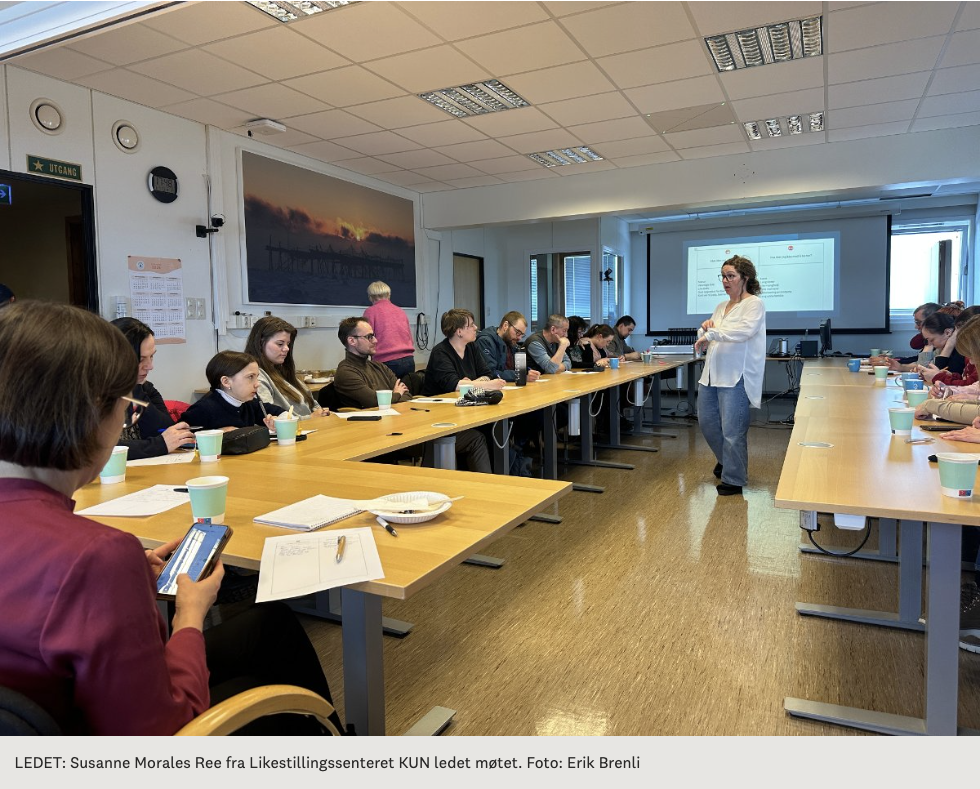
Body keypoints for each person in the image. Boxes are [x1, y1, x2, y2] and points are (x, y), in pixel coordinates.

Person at [0, 301, 340, 735]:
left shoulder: (88, 556)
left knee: (267, 625)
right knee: (286, 709)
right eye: (125, 402)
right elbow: (162, 731)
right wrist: (189, 615)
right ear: (94, 414)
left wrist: (131, 576)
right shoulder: (96, 554)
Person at [694, 255, 766, 496]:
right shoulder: (721, 306)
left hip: (736, 375)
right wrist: (704, 331)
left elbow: (743, 331)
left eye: (731, 276)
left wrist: (712, 333)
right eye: (723, 276)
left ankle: (734, 478)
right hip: (711, 374)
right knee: (707, 424)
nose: (725, 281)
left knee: (733, 430)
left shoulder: (754, 303)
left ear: (745, 278)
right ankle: (726, 460)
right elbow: (710, 328)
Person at [109, 317, 195, 460]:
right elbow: (103, 449)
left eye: (152, 357)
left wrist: (134, 388)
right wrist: (159, 444)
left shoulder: (145, 389)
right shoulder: (91, 395)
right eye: (141, 359)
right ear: (114, 358)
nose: (150, 366)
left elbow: (166, 431)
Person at [244, 316, 328, 418]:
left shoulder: (282, 370)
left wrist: (321, 412)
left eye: (288, 344)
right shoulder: (256, 376)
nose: (286, 349)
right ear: (261, 343)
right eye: (280, 344)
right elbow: (269, 418)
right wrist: (310, 418)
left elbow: (311, 402)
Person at [182, 351, 285, 431]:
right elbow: (178, 437)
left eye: (256, 377)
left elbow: (283, 413)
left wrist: (277, 422)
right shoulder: (203, 409)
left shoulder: (249, 403)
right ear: (226, 382)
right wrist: (216, 433)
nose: (257, 384)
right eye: (250, 377)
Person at [423, 309, 505, 396]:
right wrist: (488, 385)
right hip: (438, 404)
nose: (476, 328)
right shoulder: (440, 353)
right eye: (471, 325)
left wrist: (471, 383)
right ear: (459, 332)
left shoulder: (472, 346)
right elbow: (453, 385)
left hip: (464, 400)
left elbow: (487, 374)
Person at [334, 317, 411, 408]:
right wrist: (397, 394)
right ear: (352, 341)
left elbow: (407, 395)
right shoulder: (346, 372)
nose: (375, 340)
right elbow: (375, 402)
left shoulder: (379, 366)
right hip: (368, 421)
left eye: (373, 336)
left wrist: (392, 398)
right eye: (369, 337)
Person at [363, 280, 415, 379]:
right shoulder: (400, 311)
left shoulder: (370, 312)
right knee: (406, 393)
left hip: (385, 361)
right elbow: (410, 338)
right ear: (388, 294)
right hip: (408, 360)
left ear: (371, 296)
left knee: (387, 394)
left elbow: (367, 339)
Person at [476, 310, 540, 383]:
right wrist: (520, 375)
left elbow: (519, 367)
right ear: (505, 325)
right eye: (517, 332)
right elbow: (490, 373)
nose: (519, 338)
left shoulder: (512, 342)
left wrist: (528, 371)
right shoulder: (485, 341)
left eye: (522, 335)